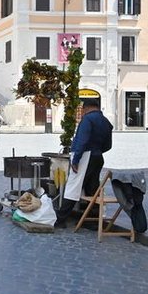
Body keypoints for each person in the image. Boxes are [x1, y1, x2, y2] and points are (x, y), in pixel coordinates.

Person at [55, 94, 113, 227]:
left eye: (82, 109)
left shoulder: (87, 120)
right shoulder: (105, 121)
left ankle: (61, 219)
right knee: (92, 188)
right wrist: (98, 151)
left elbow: (82, 140)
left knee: (73, 187)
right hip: (98, 156)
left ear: (86, 108)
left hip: (85, 156)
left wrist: (76, 160)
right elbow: (108, 145)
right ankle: (93, 220)